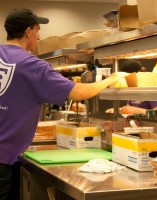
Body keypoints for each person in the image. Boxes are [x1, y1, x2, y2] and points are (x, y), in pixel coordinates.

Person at [0, 8, 125, 200]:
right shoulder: (33, 66)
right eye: (38, 30)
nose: (39, 36)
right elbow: (78, 92)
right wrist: (110, 79)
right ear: (28, 31)